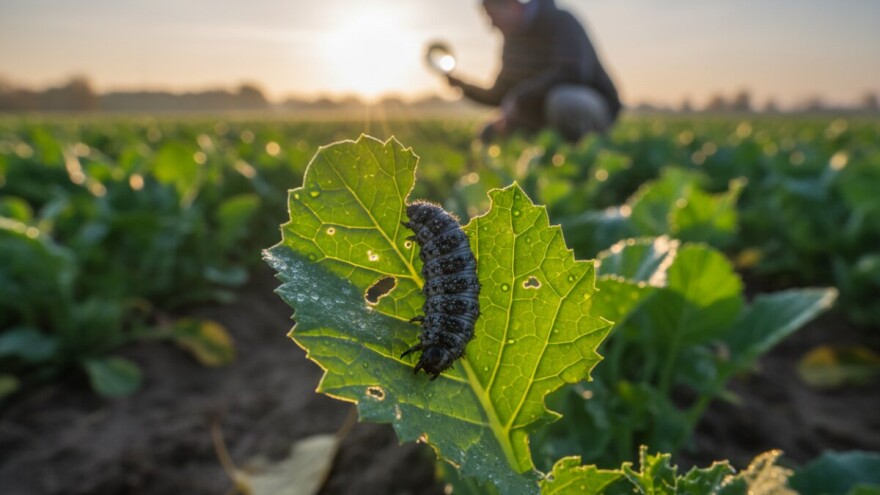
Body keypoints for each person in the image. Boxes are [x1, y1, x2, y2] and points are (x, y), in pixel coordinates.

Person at [447, 0, 622, 143]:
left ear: (512, 5)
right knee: (489, 133)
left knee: (564, 102)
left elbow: (572, 71)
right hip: (543, 116)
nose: (492, 25)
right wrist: (461, 85)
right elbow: (500, 95)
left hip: (591, 106)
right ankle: (548, 154)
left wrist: (520, 97)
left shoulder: (560, 21)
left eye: (492, 17)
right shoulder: (511, 44)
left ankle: (587, 155)